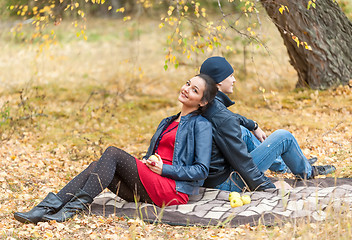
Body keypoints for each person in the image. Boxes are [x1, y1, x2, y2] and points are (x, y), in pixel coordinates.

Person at [14, 73, 218, 224]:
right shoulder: (168, 121)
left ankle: (69, 210)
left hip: (173, 190)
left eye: (194, 90)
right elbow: (157, 155)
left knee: (112, 153)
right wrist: (150, 160)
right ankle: (45, 208)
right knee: (99, 166)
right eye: (188, 83)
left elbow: (201, 170)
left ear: (203, 101)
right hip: (154, 182)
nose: (186, 88)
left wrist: (164, 169)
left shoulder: (201, 125)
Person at [200, 56, 336, 192]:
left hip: (213, 175)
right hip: (227, 181)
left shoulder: (206, 103)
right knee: (284, 137)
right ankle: (307, 171)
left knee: (244, 131)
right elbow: (242, 163)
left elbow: (232, 118)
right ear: (218, 82)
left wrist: (253, 125)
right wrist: (268, 186)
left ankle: (285, 165)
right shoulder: (222, 117)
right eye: (230, 76)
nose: (234, 80)